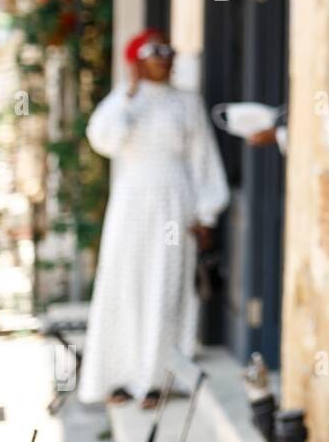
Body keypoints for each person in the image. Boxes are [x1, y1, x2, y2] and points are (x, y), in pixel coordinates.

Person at [77, 29, 229, 410]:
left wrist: (207, 212)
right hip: (132, 203)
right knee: (126, 282)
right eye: (153, 51)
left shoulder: (187, 103)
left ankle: (159, 378)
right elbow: (104, 140)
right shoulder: (123, 101)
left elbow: (203, 157)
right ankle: (121, 376)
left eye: (167, 50)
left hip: (176, 200)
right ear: (137, 59)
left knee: (169, 282)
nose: (163, 57)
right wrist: (128, 96)